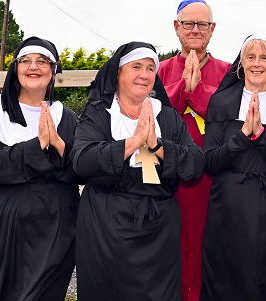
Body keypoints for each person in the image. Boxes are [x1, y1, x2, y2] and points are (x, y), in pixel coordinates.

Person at [70, 42, 204, 300]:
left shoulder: (167, 116)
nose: (144, 74)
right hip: (106, 224)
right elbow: (82, 160)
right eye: (136, 67)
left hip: (158, 229)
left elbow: (196, 164)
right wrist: (133, 142)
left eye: (151, 68)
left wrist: (156, 145)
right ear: (118, 73)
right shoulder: (98, 112)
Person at [0, 36, 80, 301]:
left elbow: (82, 170)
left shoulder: (68, 117)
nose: (34, 66)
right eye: (26, 60)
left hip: (55, 227)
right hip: (2, 227)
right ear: (15, 68)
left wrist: (58, 145)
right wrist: (37, 145)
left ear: (53, 70)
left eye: (43, 61)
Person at [200, 35, 266, 300]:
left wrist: (261, 137)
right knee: (225, 276)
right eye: (251, 57)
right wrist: (243, 136)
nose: (257, 64)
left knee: (265, 275)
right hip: (228, 204)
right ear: (241, 63)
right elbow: (209, 163)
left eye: (264, 57)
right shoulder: (221, 102)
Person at [157, 1, 231, 298]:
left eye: (203, 24)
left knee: (209, 250)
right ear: (177, 27)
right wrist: (181, 90)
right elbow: (151, 116)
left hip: (212, 180)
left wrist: (198, 93)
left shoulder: (230, 73)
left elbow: (230, 121)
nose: (195, 30)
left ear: (212, 30)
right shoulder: (158, 71)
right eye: (188, 23)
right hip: (167, 180)